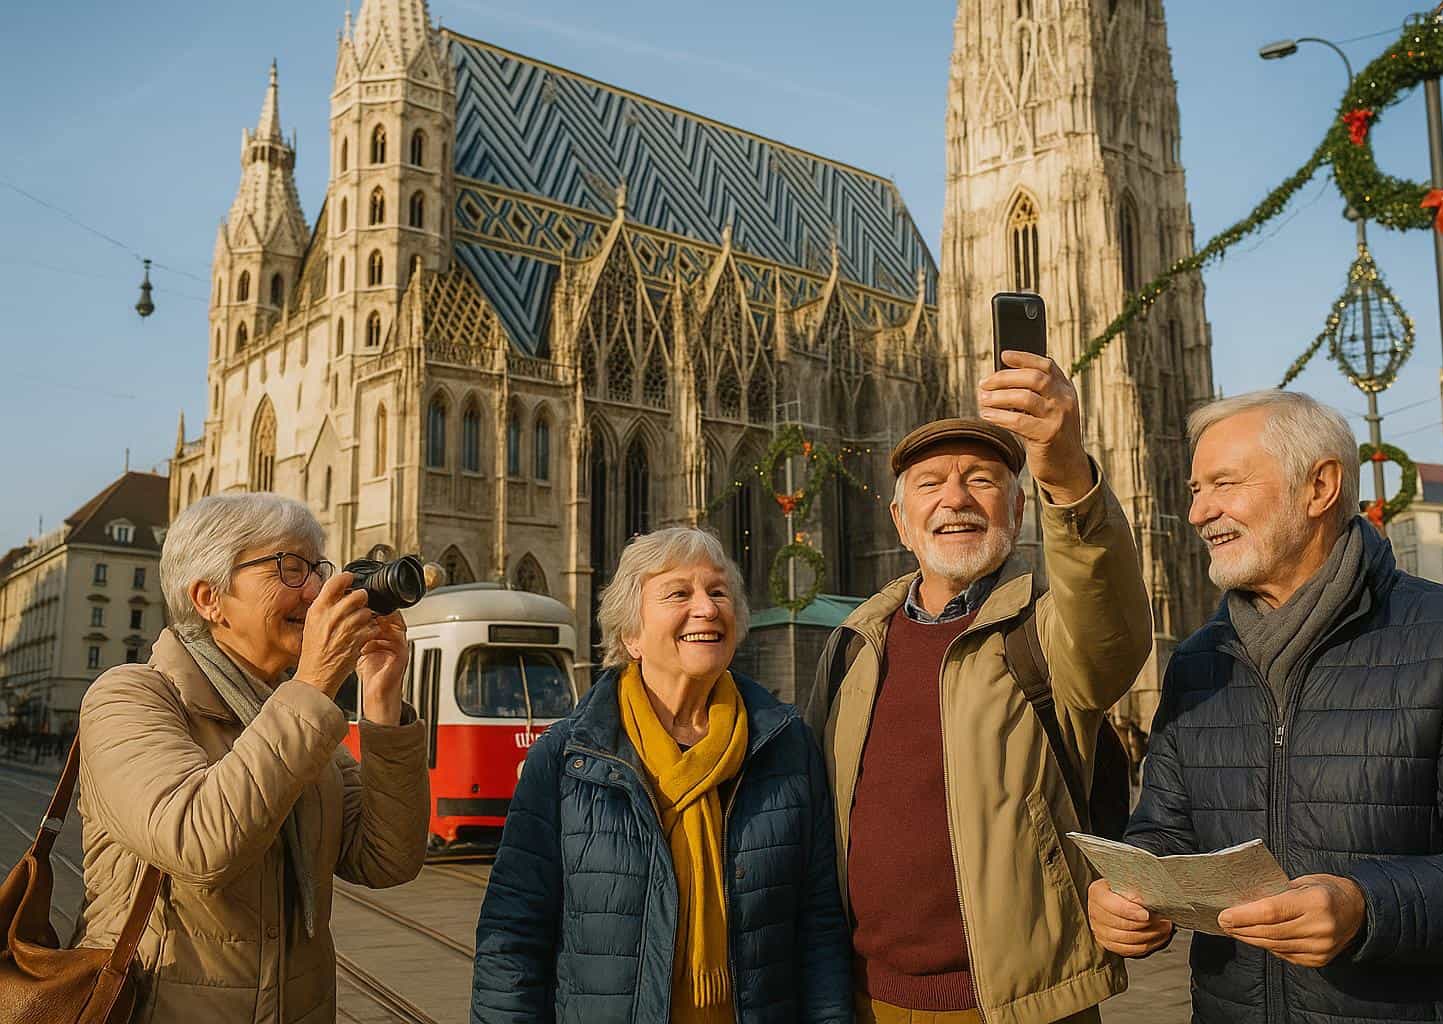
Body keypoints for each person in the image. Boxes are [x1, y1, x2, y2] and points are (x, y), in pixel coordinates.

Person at [1089, 390, 1443, 1021]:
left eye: (1224, 484)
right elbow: (1164, 830)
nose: (1197, 512)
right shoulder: (1198, 662)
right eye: (1194, 489)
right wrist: (1130, 897)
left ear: (1319, 487)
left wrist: (1365, 906)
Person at [801, 349, 1154, 1024]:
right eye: (930, 484)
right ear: (901, 522)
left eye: (982, 481)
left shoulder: (1044, 633)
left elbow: (1108, 625)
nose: (956, 499)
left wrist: (1069, 477)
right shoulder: (854, 645)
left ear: (1021, 509)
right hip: (865, 1000)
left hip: (1016, 1004)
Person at [72, 494, 430, 1023]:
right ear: (209, 599)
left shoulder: (301, 717)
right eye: (288, 567)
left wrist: (380, 703)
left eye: (316, 567)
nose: (315, 590)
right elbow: (199, 844)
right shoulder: (128, 698)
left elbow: (386, 860)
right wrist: (313, 683)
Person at [472, 527, 851, 1024]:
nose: (708, 607)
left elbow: (819, 929)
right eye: (678, 593)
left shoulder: (785, 746)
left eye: (718, 592)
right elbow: (513, 938)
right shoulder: (566, 758)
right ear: (631, 634)